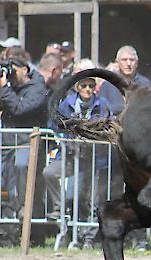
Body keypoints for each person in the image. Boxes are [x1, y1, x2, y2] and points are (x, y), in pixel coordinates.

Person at [45, 76, 113, 248]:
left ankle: (87, 237)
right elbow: (54, 125)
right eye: (84, 85)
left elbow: (110, 126)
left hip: (93, 158)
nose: (88, 89)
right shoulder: (66, 104)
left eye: (91, 85)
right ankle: (59, 212)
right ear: (77, 87)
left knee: (89, 198)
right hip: (69, 155)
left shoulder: (102, 104)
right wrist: (64, 139)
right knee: (50, 173)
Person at [0, 55, 50, 220]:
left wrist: (5, 88)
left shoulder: (38, 88)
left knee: (22, 169)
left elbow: (20, 108)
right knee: (8, 184)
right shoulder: (8, 87)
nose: (11, 74)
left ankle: (27, 218)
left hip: (27, 143)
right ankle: (10, 225)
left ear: (25, 70)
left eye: (14, 71)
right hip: (8, 143)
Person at [98, 46, 151, 114]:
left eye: (132, 60)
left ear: (137, 63)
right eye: (124, 60)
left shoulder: (145, 84)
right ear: (117, 63)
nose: (128, 64)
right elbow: (101, 111)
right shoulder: (108, 84)